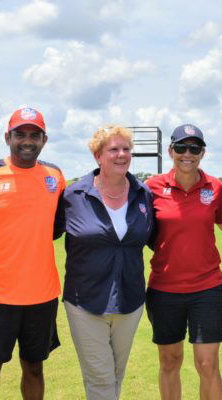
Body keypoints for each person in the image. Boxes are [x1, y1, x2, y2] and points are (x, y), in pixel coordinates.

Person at [0, 107, 66, 400]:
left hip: (42, 294)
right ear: (8, 137)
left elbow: (58, 224)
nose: (27, 141)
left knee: (34, 367)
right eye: (20, 134)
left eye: (34, 135)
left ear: (45, 139)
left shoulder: (55, 175)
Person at [54, 125, 154, 399]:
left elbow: (157, 238)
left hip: (130, 300)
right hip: (85, 302)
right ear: (98, 156)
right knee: (100, 379)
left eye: (126, 149)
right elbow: (44, 232)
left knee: (115, 375)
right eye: (113, 149)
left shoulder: (143, 194)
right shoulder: (73, 196)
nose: (122, 154)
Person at [145, 124, 222, 400]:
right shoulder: (152, 187)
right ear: (170, 150)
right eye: (181, 147)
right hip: (164, 289)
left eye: (195, 148)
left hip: (207, 289)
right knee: (169, 361)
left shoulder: (215, 186)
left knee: (207, 364)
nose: (187, 154)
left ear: (202, 153)